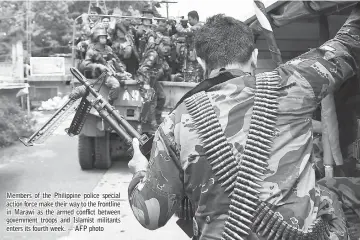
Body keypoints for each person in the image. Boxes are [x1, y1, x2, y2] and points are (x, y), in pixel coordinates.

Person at [127, 6, 360, 240]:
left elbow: (151, 215)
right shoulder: (292, 83)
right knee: (331, 195)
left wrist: (139, 169)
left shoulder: (175, 122)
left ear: (200, 61)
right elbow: (351, 42)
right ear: (255, 57)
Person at [135, 36, 180, 133]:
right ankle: (151, 124)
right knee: (151, 98)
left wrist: (173, 76)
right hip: (144, 80)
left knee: (162, 97)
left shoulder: (161, 56)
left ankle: (157, 118)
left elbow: (166, 69)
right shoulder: (153, 54)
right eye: (164, 46)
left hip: (153, 80)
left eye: (168, 47)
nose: (166, 50)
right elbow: (143, 70)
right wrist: (147, 86)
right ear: (160, 44)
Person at [78, 27, 130, 104]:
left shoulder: (108, 49)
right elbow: (86, 65)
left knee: (128, 78)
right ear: (97, 38)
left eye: (105, 37)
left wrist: (123, 70)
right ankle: (109, 103)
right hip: (99, 75)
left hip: (111, 72)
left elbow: (117, 60)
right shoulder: (92, 50)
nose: (104, 39)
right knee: (115, 85)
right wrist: (98, 66)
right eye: (102, 37)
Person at [175, 11, 204, 83]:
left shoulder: (198, 27)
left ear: (195, 18)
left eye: (190, 19)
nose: (189, 22)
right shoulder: (197, 27)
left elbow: (183, 31)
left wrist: (177, 23)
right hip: (194, 56)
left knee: (193, 77)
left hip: (196, 58)